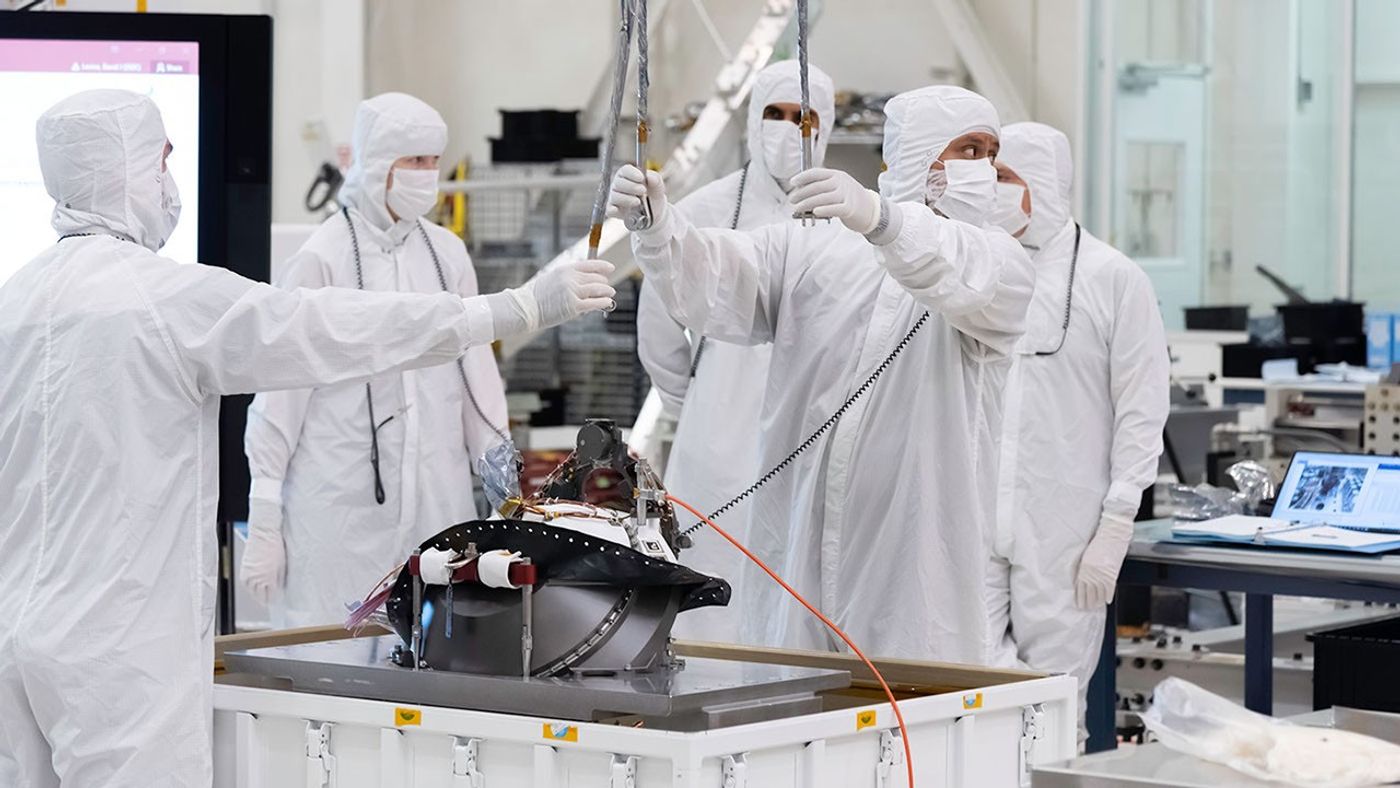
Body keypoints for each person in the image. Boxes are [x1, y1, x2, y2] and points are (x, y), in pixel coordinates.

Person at [0, 89, 614, 787]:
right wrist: (518, 306)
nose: (170, 181)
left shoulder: (15, 301)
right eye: (163, 160)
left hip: (18, 639)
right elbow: (321, 329)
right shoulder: (161, 299)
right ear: (131, 172)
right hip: (120, 646)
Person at [610, 85, 1033, 662]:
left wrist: (882, 219)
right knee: (786, 708)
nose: (982, 168)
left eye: (990, 152)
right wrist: (659, 231)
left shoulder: (996, 261)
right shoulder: (814, 245)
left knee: (903, 717)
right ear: (916, 155)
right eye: (966, 150)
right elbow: (717, 282)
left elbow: (958, 270)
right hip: (797, 541)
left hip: (912, 561)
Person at [239, 93, 512, 627]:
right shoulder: (323, 256)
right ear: (379, 166)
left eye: (433, 161)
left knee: (435, 667)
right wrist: (265, 519)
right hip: (340, 511)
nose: (427, 175)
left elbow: (480, 388)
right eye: (413, 162)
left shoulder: (446, 254)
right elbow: (280, 399)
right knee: (336, 669)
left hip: (438, 509)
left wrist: (505, 496)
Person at [632, 60, 836, 644]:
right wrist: (696, 409)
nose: (790, 129)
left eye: (805, 117)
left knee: (804, 595)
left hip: (812, 429)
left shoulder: (845, 215)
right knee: (715, 596)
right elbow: (660, 333)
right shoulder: (704, 209)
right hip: (718, 442)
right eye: (775, 114)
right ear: (752, 119)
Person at [982, 121, 1169, 736]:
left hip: (1064, 533)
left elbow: (1142, 409)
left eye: (1004, 177)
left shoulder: (1113, 279)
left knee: (1053, 711)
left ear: (1042, 184)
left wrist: (1116, 526)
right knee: (968, 692)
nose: (992, 190)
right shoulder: (976, 267)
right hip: (976, 521)